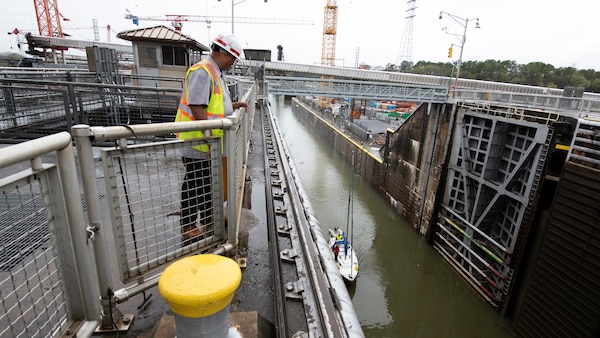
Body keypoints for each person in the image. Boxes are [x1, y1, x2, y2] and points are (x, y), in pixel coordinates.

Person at [174, 33, 249, 243]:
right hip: (197, 141)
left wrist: (233, 106)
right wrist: (207, 137)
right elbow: (196, 105)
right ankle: (189, 224)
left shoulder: (216, 73)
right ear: (223, 54)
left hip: (209, 142)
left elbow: (214, 104)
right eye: (233, 59)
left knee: (208, 183)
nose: (233, 64)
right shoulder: (202, 72)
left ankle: (209, 217)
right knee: (194, 184)